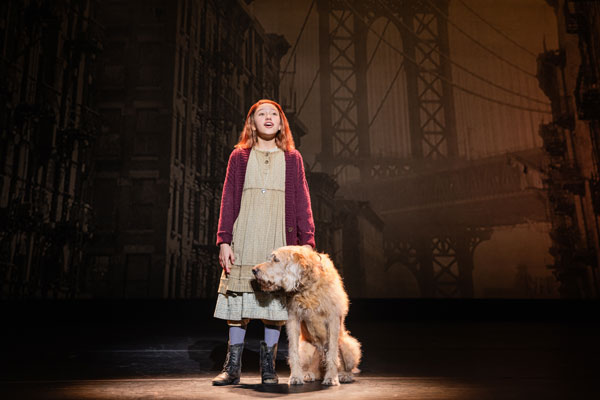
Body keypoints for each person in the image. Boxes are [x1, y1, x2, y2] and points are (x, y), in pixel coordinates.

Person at [212, 99, 315, 386]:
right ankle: (232, 368)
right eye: (261, 114)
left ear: (282, 123)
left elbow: (303, 201)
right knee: (239, 303)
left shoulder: (293, 159)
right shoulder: (239, 157)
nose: (268, 118)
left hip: (278, 241)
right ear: (252, 122)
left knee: (274, 309)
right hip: (245, 234)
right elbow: (228, 200)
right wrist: (224, 240)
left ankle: (268, 368)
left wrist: (307, 241)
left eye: (274, 114)